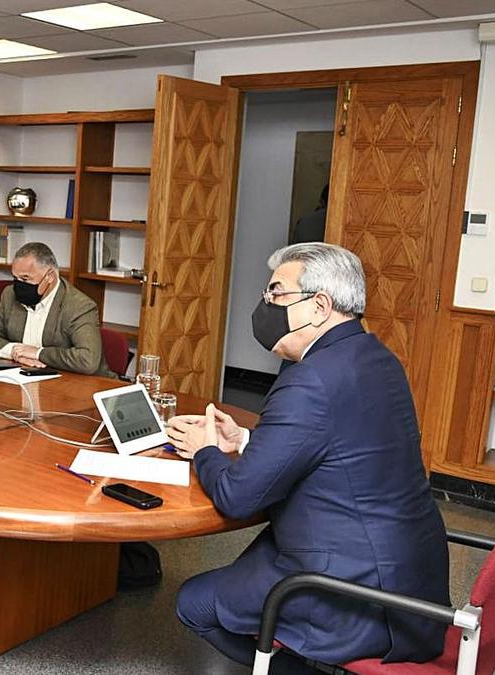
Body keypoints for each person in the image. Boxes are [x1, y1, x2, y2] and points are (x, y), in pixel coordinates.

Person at [167, 243, 448, 673]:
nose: (265, 305)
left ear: (319, 305)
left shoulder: (310, 381)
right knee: (254, 563)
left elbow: (238, 497)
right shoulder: (378, 358)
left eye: (276, 294)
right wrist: (243, 438)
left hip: (352, 594)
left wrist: (204, 450)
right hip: (410, 576)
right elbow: (338, 445)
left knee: (194, 603)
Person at [0, 242, 113, 377]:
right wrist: (15, 351)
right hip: (27, 377)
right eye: (15, 278)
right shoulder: (10, 295)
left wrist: (37, 353)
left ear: (50, 276)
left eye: (25, 279)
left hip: (81, 385)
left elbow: (87, 360)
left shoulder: (78, 306)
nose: (18, 285)